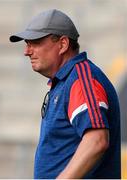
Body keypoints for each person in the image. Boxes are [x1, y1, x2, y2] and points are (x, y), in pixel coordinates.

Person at [9, 9, 121, 179]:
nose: (27, 51)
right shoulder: (68, 80)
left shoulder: (82, 79)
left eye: (35, 42)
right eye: (27, 43)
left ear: (62, 44)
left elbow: (97, 141)